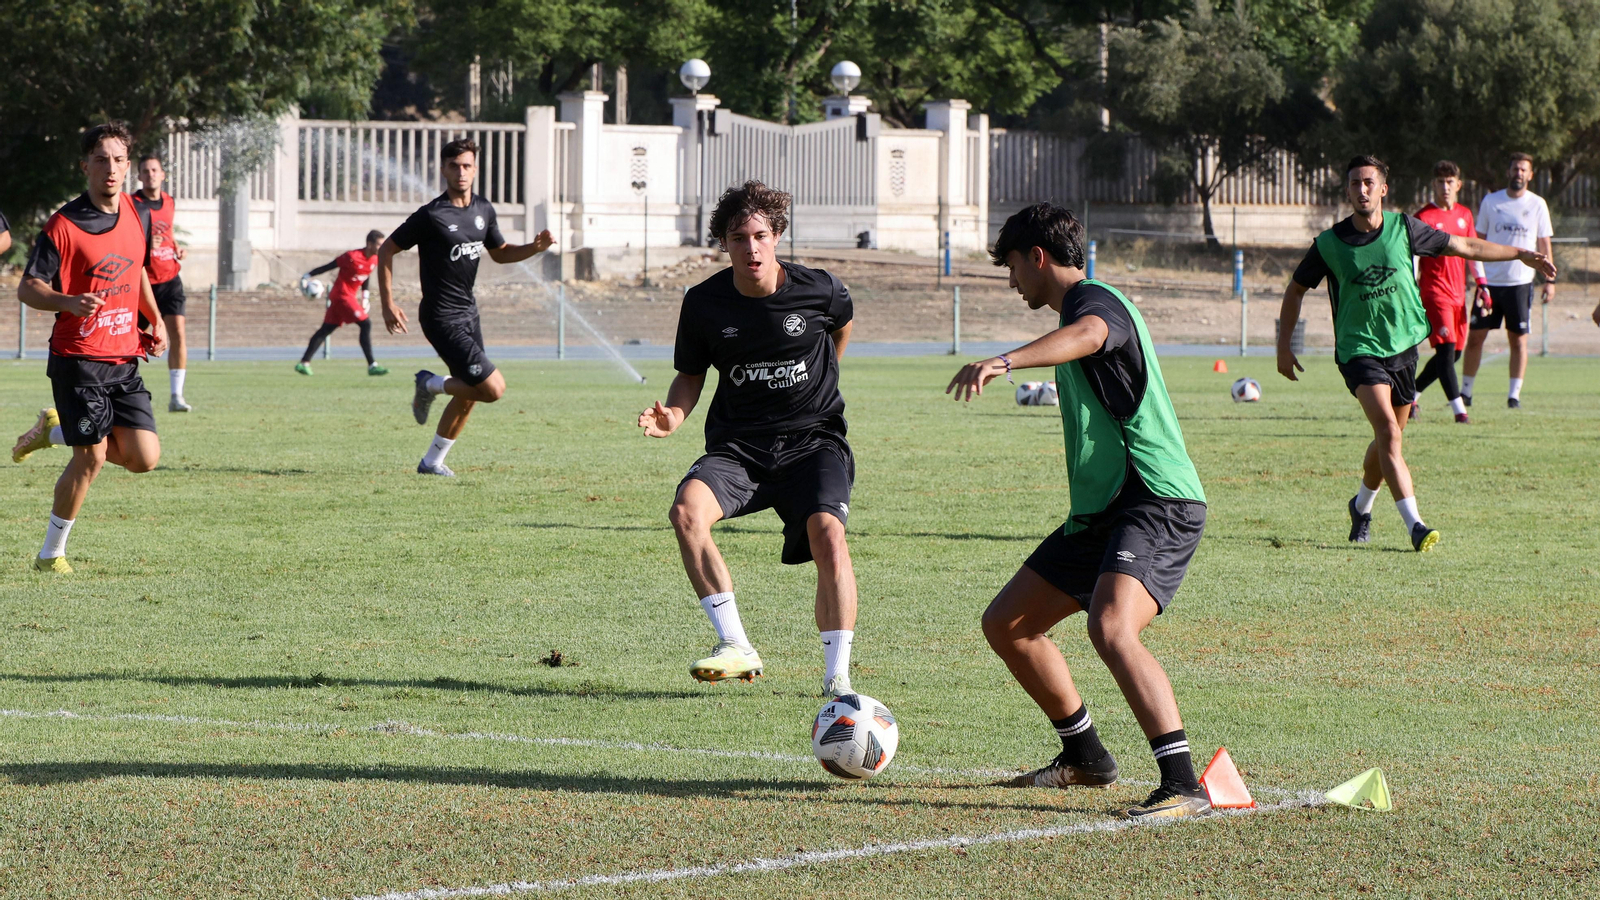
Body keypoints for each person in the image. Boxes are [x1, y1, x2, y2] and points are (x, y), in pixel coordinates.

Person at [950, 202, 1212, 821]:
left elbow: (1093, 337)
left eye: (1012, 266)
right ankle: (1086, 757)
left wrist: (1005, 360)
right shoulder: (1074, 310)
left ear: (1038, 256)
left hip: (1155, 499)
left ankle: (1183, 784)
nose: (1012, 281)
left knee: (1111, 626)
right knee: (1008, 623)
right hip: (1103, 511)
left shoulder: (1097, 304)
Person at [638, 181, 859, 697]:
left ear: (778, 235)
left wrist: (826, 377)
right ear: (724, 242)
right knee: (686, 513)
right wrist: (673, 414)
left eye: (761, 235)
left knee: (829, 535)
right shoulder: (703, 303)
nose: (751, 247)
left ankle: (838, 678)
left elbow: (841, 326)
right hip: (740, 449)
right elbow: (690, 375)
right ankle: (736, 645)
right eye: (739, 237)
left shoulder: (821, 289)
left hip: (814, 443)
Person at [1276, 156, 1554, 552]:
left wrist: (1520, 254)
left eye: (1369, 182)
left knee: (1389, 438)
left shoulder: (1405, 229)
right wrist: (1283, 346)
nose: (1362, 189)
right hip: (1359, 351)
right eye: (1355, 183)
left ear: (1383, 189)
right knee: (1388, 431)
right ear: (1348, 190)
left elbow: (1464, 245)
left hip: (1404, 347)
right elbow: (1295, 290)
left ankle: (1361, 506)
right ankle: (1416, 525)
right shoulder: (1329, 244)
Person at [10, 123, 167, 573]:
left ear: (129, 166)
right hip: (78, 361)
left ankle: (52, 431)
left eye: (119, 160)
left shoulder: (139, 213)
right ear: (85, 167)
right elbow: (28, 288)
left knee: (144, 459)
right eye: (101, 160)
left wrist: (152, 319)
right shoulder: (64, 225)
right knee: (92, 456)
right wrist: (67, 302)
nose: (111, 169)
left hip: (125, 357)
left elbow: (136, 269)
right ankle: (50, 555)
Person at [377, 138, 554, 476]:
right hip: (440, 317)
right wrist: (387, 303)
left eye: (467, 166)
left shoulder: (483, 210)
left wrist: (534, 247)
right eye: (455, 166)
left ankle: (432, 462)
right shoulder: (432, 215)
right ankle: (429, 383)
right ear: (443, 169)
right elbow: (387, 250)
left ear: (475, 169)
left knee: (472, 392)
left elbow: (500, 252)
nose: (461, 172)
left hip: (468, 314)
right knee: (492, 388)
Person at [1462, 153, 1554, 409]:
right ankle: (1465, 392)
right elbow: (1477, 240)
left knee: (1518, 340)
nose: (1519, 173)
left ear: (1530, 174)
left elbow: (1544, 241)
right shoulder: (1492, 201)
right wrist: (1476, 275)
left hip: (1520, 283)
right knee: (1476, 337)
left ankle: (1514, 396)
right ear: (1509, 171)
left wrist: (1550, 280)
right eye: (1515, 168)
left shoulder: (1537, 204)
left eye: (1524, 170)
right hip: (1490, 283)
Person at [1412, 160, 1487, 424]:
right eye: (1440, 182)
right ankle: (1460, 411)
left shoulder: (1465, 215)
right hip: (1434, 293)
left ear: (1458, 185)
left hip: (1459, 295)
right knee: (1445, 351)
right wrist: (1411, 286)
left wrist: (1483, 283)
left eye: (1450, 181)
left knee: (1453, 354)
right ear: (1433, 185)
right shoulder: (1423, 217)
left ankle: (1410, 395)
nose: (1445, 186)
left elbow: (1473, 250)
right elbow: (1415, 259)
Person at [131, 154, 191, 412]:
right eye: (146, 171)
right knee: (130, 339)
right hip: (144, 281)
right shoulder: (132, 204)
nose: (151, 174)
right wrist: (145, 245)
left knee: (177, 333)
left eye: (155, 170)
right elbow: (128, 239)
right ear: (140, 177)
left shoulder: (169, 201)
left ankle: (176, 396)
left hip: (170, 279)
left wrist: (176, 247)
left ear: (163, 174)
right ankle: (121, 389)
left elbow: (167, 232)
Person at [296, 230, 387, 376]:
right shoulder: (351, 256)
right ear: (369, 244)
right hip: (342, 296)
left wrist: (365, 296)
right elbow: (329, 266)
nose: (382, 248)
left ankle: (304, 363)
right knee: (366, 323)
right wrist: (308, 275)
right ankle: (372, 365)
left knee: (325, 329)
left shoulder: (374, 259)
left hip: (347, 297)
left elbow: (365, 277)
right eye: (379, 244)